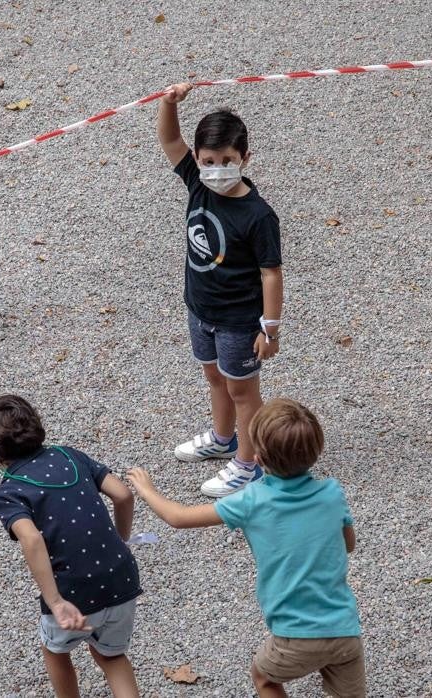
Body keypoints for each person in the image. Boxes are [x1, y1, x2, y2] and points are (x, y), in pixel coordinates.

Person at [127, 399, 364, 697]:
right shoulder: (332, 493)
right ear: (317, 451)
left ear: (259, 458)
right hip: (345, 630)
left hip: (293, 636)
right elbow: (349, 545)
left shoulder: (252, 500)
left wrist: (147, 490)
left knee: (264, 678)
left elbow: (178, 518)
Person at [157, 83, 284, 497]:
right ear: (197, 159)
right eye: (208, 160)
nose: (217, 169)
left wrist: (270, 327)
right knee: (214, 377)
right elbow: (170, 138)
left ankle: (250, 464)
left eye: (227, 160)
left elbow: (271, 273)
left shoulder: (259, 215)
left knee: (243, 390)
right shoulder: (197, 183)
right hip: (201, 310)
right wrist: (168, 103)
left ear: (245, 158)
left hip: (237, 321)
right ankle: (223, 438)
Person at [0, 395, 142, 698]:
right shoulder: (69, 456)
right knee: (111, 657)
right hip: (122, 576)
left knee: (55, 651)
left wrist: (55, 601)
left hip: (73, 589)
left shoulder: (9, 493)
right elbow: (122, 495)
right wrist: (122, 541)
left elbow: (31, 539)